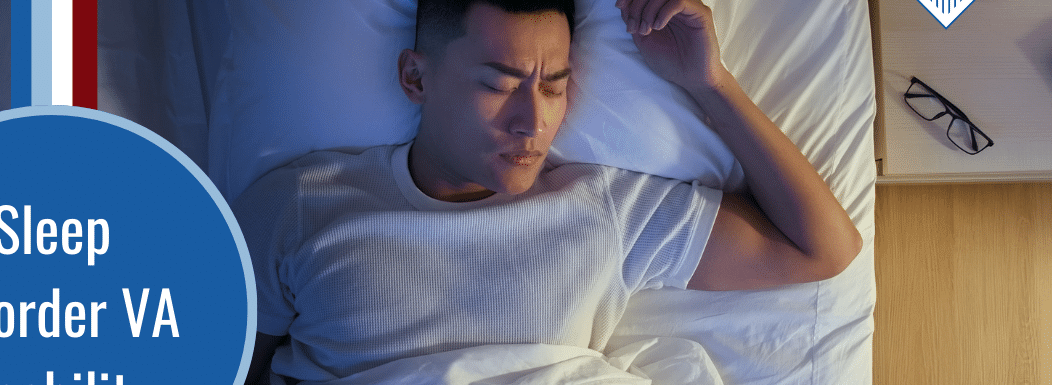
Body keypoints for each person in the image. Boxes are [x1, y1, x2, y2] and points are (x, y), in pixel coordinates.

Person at [235, 0, 862, 382]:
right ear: (416, 77)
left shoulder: (600, 209)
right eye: (499, 84)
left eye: (554, 87)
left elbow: (822, 250)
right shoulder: (300, 204)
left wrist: (709, 82)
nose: (531, 122)